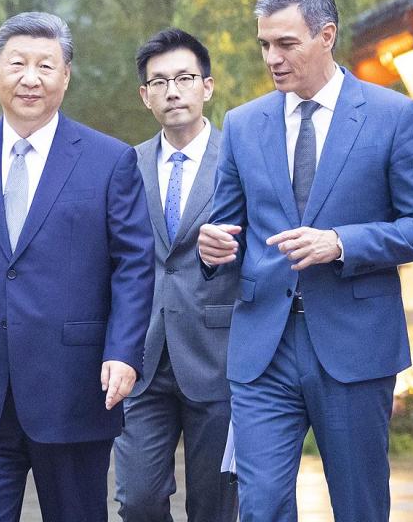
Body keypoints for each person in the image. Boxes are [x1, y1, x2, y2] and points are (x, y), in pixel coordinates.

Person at [198, 0, 413, 521]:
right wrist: (212, 248)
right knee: (259, 506)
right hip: (262, 347)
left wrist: (342, 243)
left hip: (354, 348)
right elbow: (227, 229)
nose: (273, 58)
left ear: (326, 35)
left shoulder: (392, 115)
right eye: (264, 45)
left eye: (286, 44)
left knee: (359, 507)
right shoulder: (242, 125)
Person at [0, 11, 155, 522]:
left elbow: (134, 266)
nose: (31, 78)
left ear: (66, 75)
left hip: (73, 389)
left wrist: (124, 352)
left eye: (45, 66)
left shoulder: (109, 161)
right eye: (18, 64)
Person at [113, 28, 238, 522]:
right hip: (141, 359)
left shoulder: (240, 158)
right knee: (137, 500)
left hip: (218, 356)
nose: (173, 90)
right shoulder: (125, 165)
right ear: (145, 96)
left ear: (206, 86)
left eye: (184, 78)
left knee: (215, 508)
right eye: (159, 82)